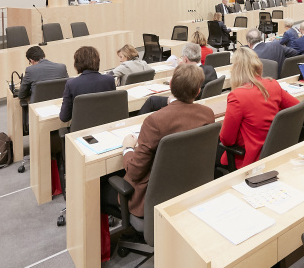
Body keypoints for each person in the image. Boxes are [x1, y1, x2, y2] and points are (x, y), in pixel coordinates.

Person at [116, 64, 215, 218]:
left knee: (103, 187)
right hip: (190, 189)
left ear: (170, 85)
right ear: (198, 91)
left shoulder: (155, 121)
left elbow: (135, 173)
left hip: (153, 199)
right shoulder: (207, 114)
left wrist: (127, 149)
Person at [218, 47, 299, 168]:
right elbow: (297, 107)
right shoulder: (273, 84)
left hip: (251, 158)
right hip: (275, 149)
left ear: (235, 70)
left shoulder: (237, 96)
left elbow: (227, 140)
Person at [139, 43, 218, 114]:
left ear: (185, 59)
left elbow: (182, 96)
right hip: (205, 104)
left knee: (152, 100)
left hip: (186, 105)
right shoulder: (211, 69)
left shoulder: (189, 75)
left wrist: (171, 99)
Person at [59, 46, 117, 122]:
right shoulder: (109, 80)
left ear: (77, 63)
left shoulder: (71, 84)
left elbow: (64, 117)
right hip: (105, 126)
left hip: (81, 130)